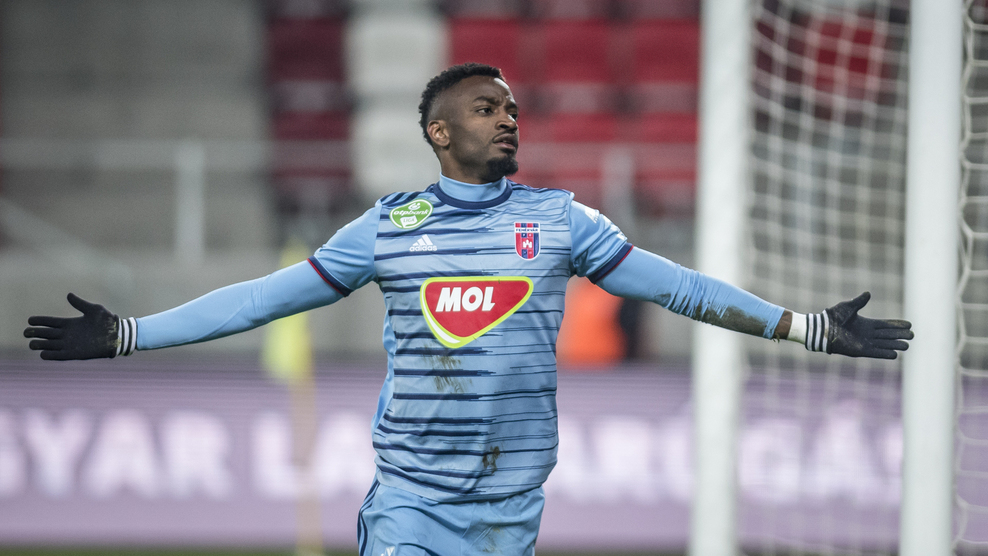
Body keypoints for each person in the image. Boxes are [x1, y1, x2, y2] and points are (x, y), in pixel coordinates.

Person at [23, 63, 913, 555]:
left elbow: (679, 287)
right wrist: (132, 333)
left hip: (510, 509)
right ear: (439, 132)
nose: (508, 119)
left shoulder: (562, 222)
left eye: (514, 109)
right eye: (487, 109)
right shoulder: (387, 227)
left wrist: (806, 326)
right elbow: (263, 299)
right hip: (412, 503)